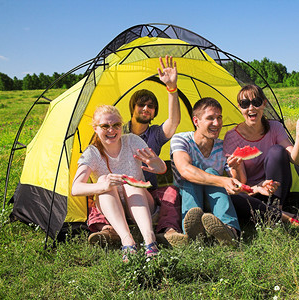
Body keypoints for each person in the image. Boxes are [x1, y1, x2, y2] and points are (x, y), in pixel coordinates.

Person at [87, 56, 187, 248]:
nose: (146, 108)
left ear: (155, 112)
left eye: (151, 106)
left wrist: (172, 89)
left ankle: (168, 230)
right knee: (95, 194)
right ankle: (108, 230)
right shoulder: (114, 130)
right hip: (113, 192)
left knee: (172, 192)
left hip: (146, 190)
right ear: (132, 108)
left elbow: (173, 122)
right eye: (141, 104)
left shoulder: (156, 134)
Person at [169, 98, 278, 245]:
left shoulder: (223, 145)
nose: (217, 123)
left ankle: (230, 231)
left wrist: (236, 168)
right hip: (187, 196)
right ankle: (193, 229)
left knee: (211, 172)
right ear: (196, 121)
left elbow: (239, 181)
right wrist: (222, 180)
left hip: (214, 199)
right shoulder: (181, 139)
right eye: (210, 118)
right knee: (200, 176)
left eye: (219, 117)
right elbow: (185, 170)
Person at [71, 105, 166, 261]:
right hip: (110, 209)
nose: (111, 130)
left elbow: (161, 168)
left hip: (140, 202)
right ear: (95, 128)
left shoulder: (132, 141)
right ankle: (127, 240)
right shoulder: (92, 152)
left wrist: (158, 165)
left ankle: (150, 240)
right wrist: (104, 186)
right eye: (105, 126)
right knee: (103, 180)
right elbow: (76, 188)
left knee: (129, 183)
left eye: (116, 125)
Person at [223, 84, 299, 221]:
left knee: (277, 151)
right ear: (239, 107)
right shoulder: (231, 137)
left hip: (276, 189)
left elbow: (295, 159)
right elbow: (240, 183)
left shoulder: (275, 127)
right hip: (251, 191)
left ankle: (276, 209)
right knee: (232, 196)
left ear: (264, 104)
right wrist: (235, 168)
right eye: (245, 104)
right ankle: (281, 217)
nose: (251, 108)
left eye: (256, 102)